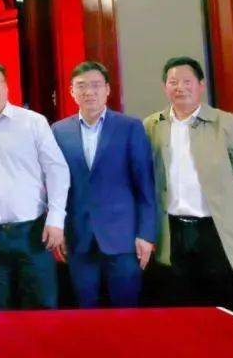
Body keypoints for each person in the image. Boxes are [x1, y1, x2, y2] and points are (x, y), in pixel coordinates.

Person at [144, 56, 233, 307]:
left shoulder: (228, 124)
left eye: (187, 81)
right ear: (165, 87)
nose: (180, 88)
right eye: (173, 82)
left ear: (201, 85)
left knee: (221, 304)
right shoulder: (152, 125)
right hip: (171, 230)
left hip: (216, 230)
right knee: (178, 305)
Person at [0, 59, 69, 310]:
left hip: (33, 232)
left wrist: (56, 219)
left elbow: (57, 170)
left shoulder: (33, 122)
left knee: (41, 305)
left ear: (6, 86)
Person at [51, 61, 156, 308]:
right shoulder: (58, 131)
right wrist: (60, 228)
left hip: (124, 238)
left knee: (126, 313)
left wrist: (146, 234)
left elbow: (145, 185)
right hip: (79, 237)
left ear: (107, 89)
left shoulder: (130, 127)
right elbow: (57, 185)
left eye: (96, 85)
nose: (89, 91)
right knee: (85, 312)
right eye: (81, 86)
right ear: (71, 91)